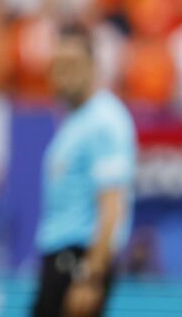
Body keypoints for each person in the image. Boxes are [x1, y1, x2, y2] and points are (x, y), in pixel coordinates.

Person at [33, 24, 137, 317]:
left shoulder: (104, 120)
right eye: (58, 64)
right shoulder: (76, 119)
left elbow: (111, 204)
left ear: (93, 66)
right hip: (61, 258)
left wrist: (91, 277)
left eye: (72, 64)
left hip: (76, 262)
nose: (63, 73)